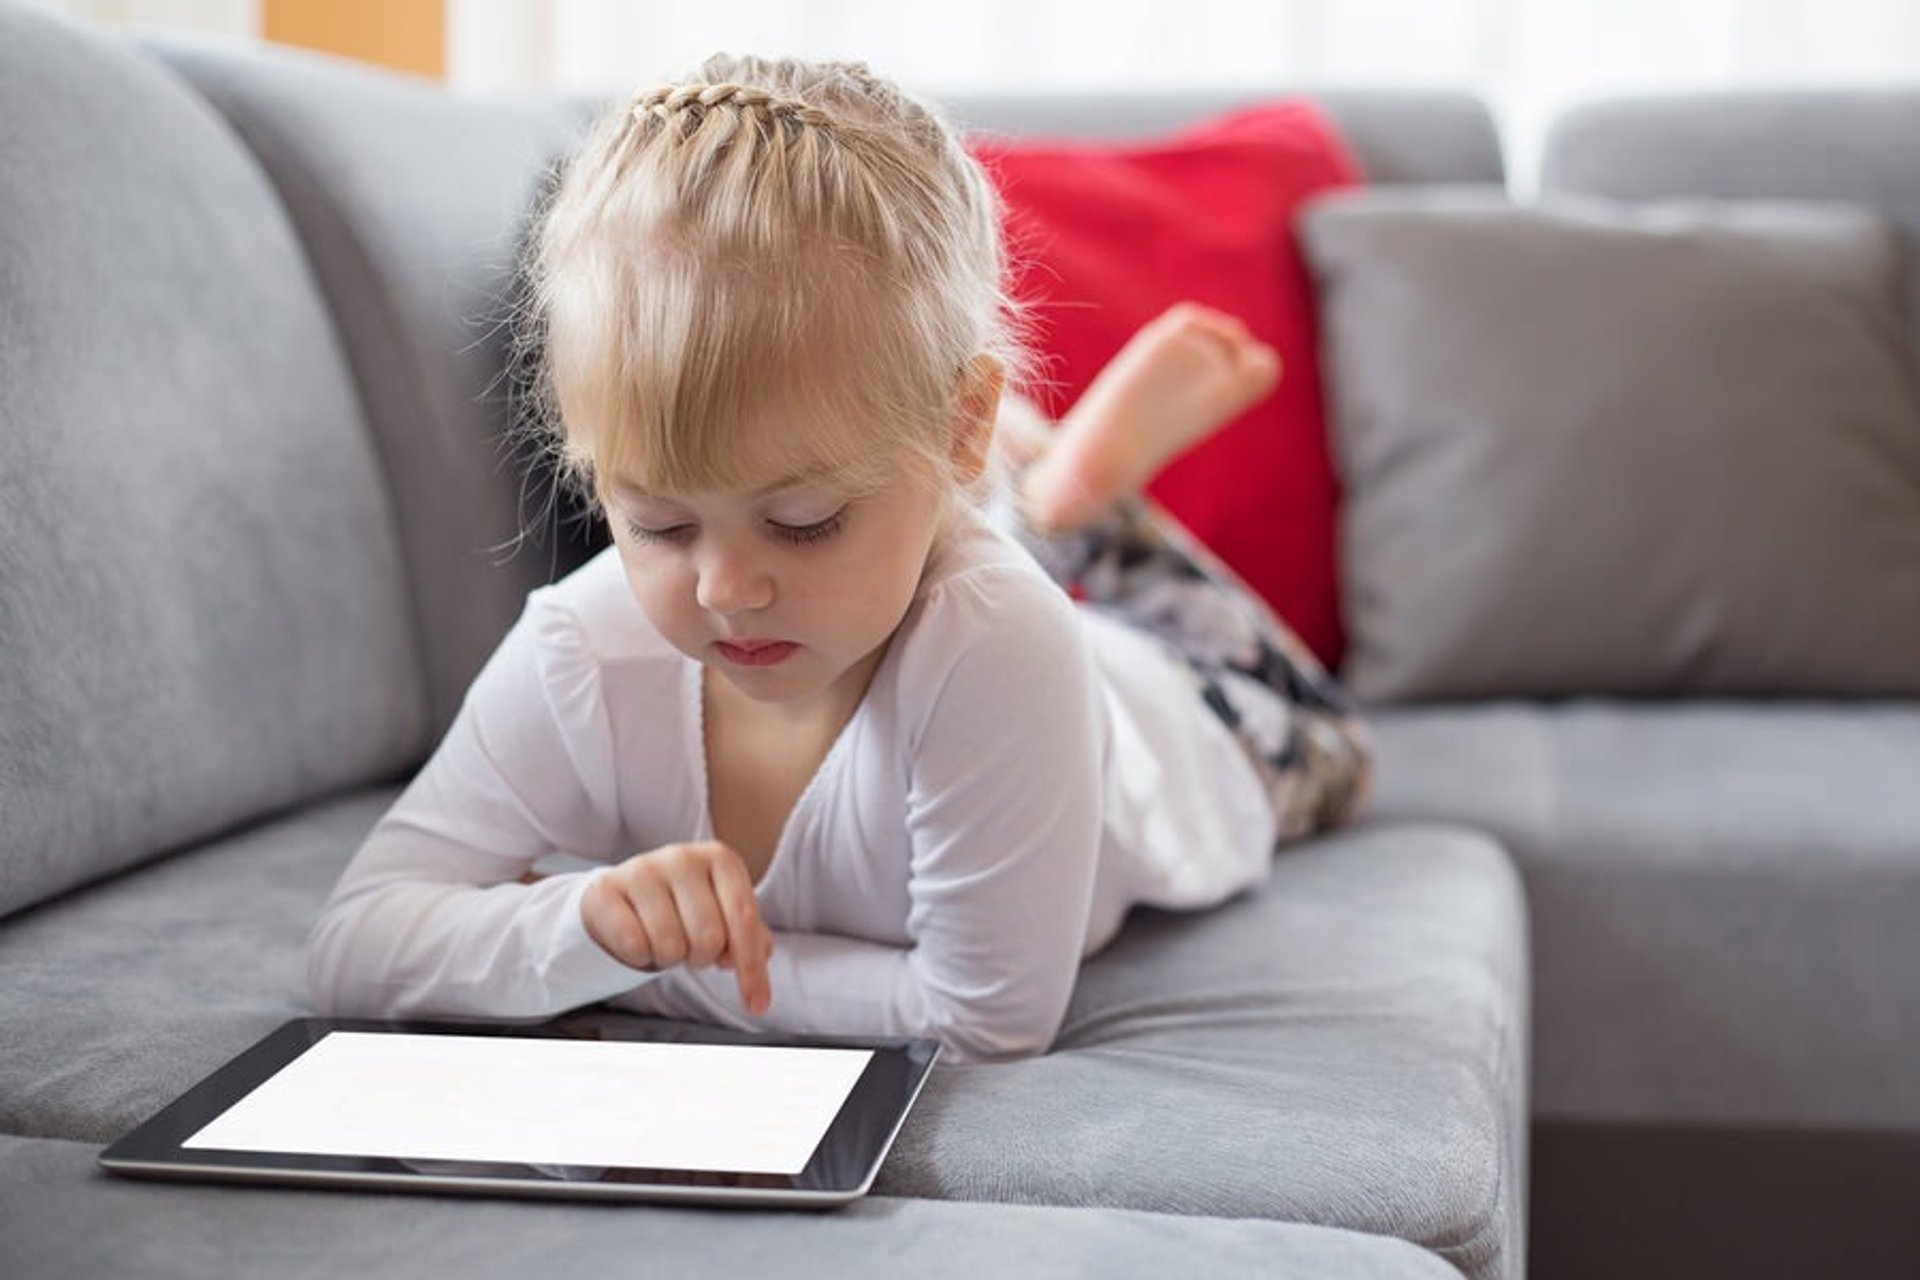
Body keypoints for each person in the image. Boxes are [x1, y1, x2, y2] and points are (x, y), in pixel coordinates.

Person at [306, 54, 1371, 1062]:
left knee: (1329, 742)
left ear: (958, 423)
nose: (726, 589)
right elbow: (357, 941)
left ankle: (1071, 500)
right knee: (965, 543)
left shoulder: (998, 646)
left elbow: (983, 1019)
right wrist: (585, 921)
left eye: (805, 520)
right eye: (661, 525)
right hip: (965, 536)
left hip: (1186, 715)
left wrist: (648, 969)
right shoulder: (582, 650)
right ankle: (1027, 494)